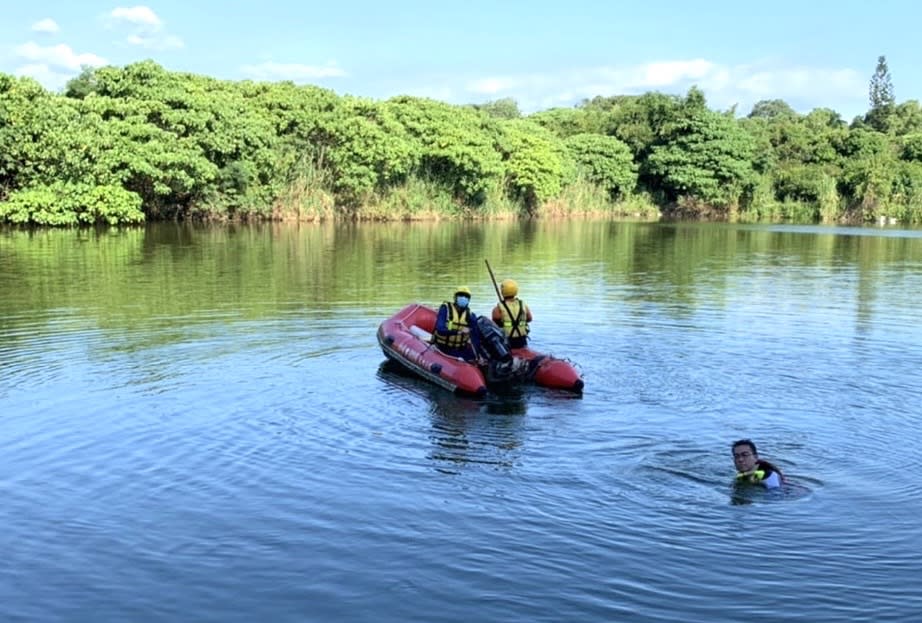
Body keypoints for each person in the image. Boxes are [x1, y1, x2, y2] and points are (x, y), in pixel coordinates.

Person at [432, 286, 482, 362]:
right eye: (461, 295)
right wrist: (459, 331)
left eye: (466, 296)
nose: (463, 298)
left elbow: (476, 337)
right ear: (455, 297)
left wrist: (478, 355)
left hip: (460, 349)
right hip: (443, 347)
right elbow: (440, 330)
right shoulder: (445, 309)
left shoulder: (470, 315)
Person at [491, 278, 533, 349]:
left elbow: (494, 323)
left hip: (507, 341)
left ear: (502, 291)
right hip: (522, 340)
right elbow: (529, 318)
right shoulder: (523, 305)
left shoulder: (498, 308)